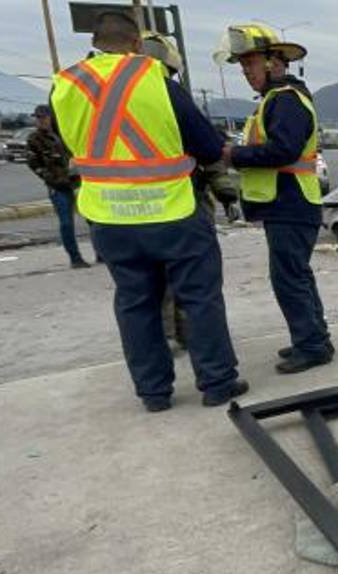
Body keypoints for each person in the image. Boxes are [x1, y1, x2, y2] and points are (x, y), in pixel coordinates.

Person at [51, 10, 246, 411]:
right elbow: (207, 146)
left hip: (110, 218)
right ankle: (217, 383)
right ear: (137, 43)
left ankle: (154, 393)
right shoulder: (156, 80)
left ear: (95, 43)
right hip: (172, 211)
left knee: (135, 302)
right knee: (199, 298)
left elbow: (67, 143)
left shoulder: (66, 86)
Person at [219, 23, 333, 374]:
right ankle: (315, 338)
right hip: (287, 203)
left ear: (273, 63)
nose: (246, 73)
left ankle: (311, 346)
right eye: (243, 67)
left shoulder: (286, 100)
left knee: (289, 279)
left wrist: (234, 155)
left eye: (250, 65)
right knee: (296, 275)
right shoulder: (277, 99)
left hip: (291, 203)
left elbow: (283, 150)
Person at [141, 30, 240, 351]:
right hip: (179, 205)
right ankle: (201, 351)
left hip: (120, 214)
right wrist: (227, 196)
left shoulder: (97, 99)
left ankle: (162, 345)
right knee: (195, 283)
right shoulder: (169, 94)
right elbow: (209, 150)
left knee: (144, 288)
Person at [25, 105, 93, 268]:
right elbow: (33, 163)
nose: (40, 121)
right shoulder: (34, 139)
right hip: (58, 187)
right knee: (66, 223)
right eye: (38, 118)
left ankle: (102, 254)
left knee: (93, 220)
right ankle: (75, 258)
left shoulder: (64, 133)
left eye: (43, 117)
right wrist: (50, 177)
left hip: (78, 182)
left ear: (51, 117)